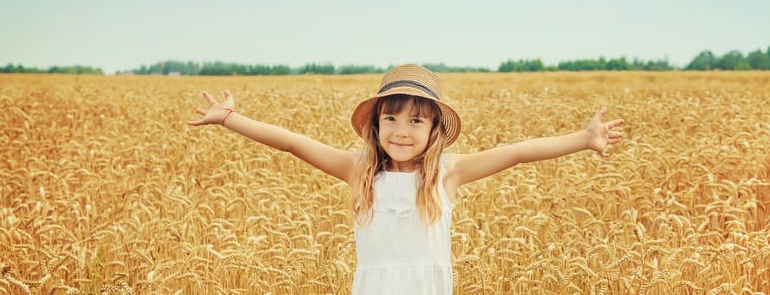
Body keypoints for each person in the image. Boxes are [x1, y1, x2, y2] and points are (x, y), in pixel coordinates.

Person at [187, 64, 625, 295]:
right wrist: (230, 118)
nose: (401, 130)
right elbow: (293, 143)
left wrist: (583, 139)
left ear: (435, 129)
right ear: (375, 124)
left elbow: (517, 154)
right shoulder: (359, 171)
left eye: (416, 120)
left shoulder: (447, 174)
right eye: (390, 117)